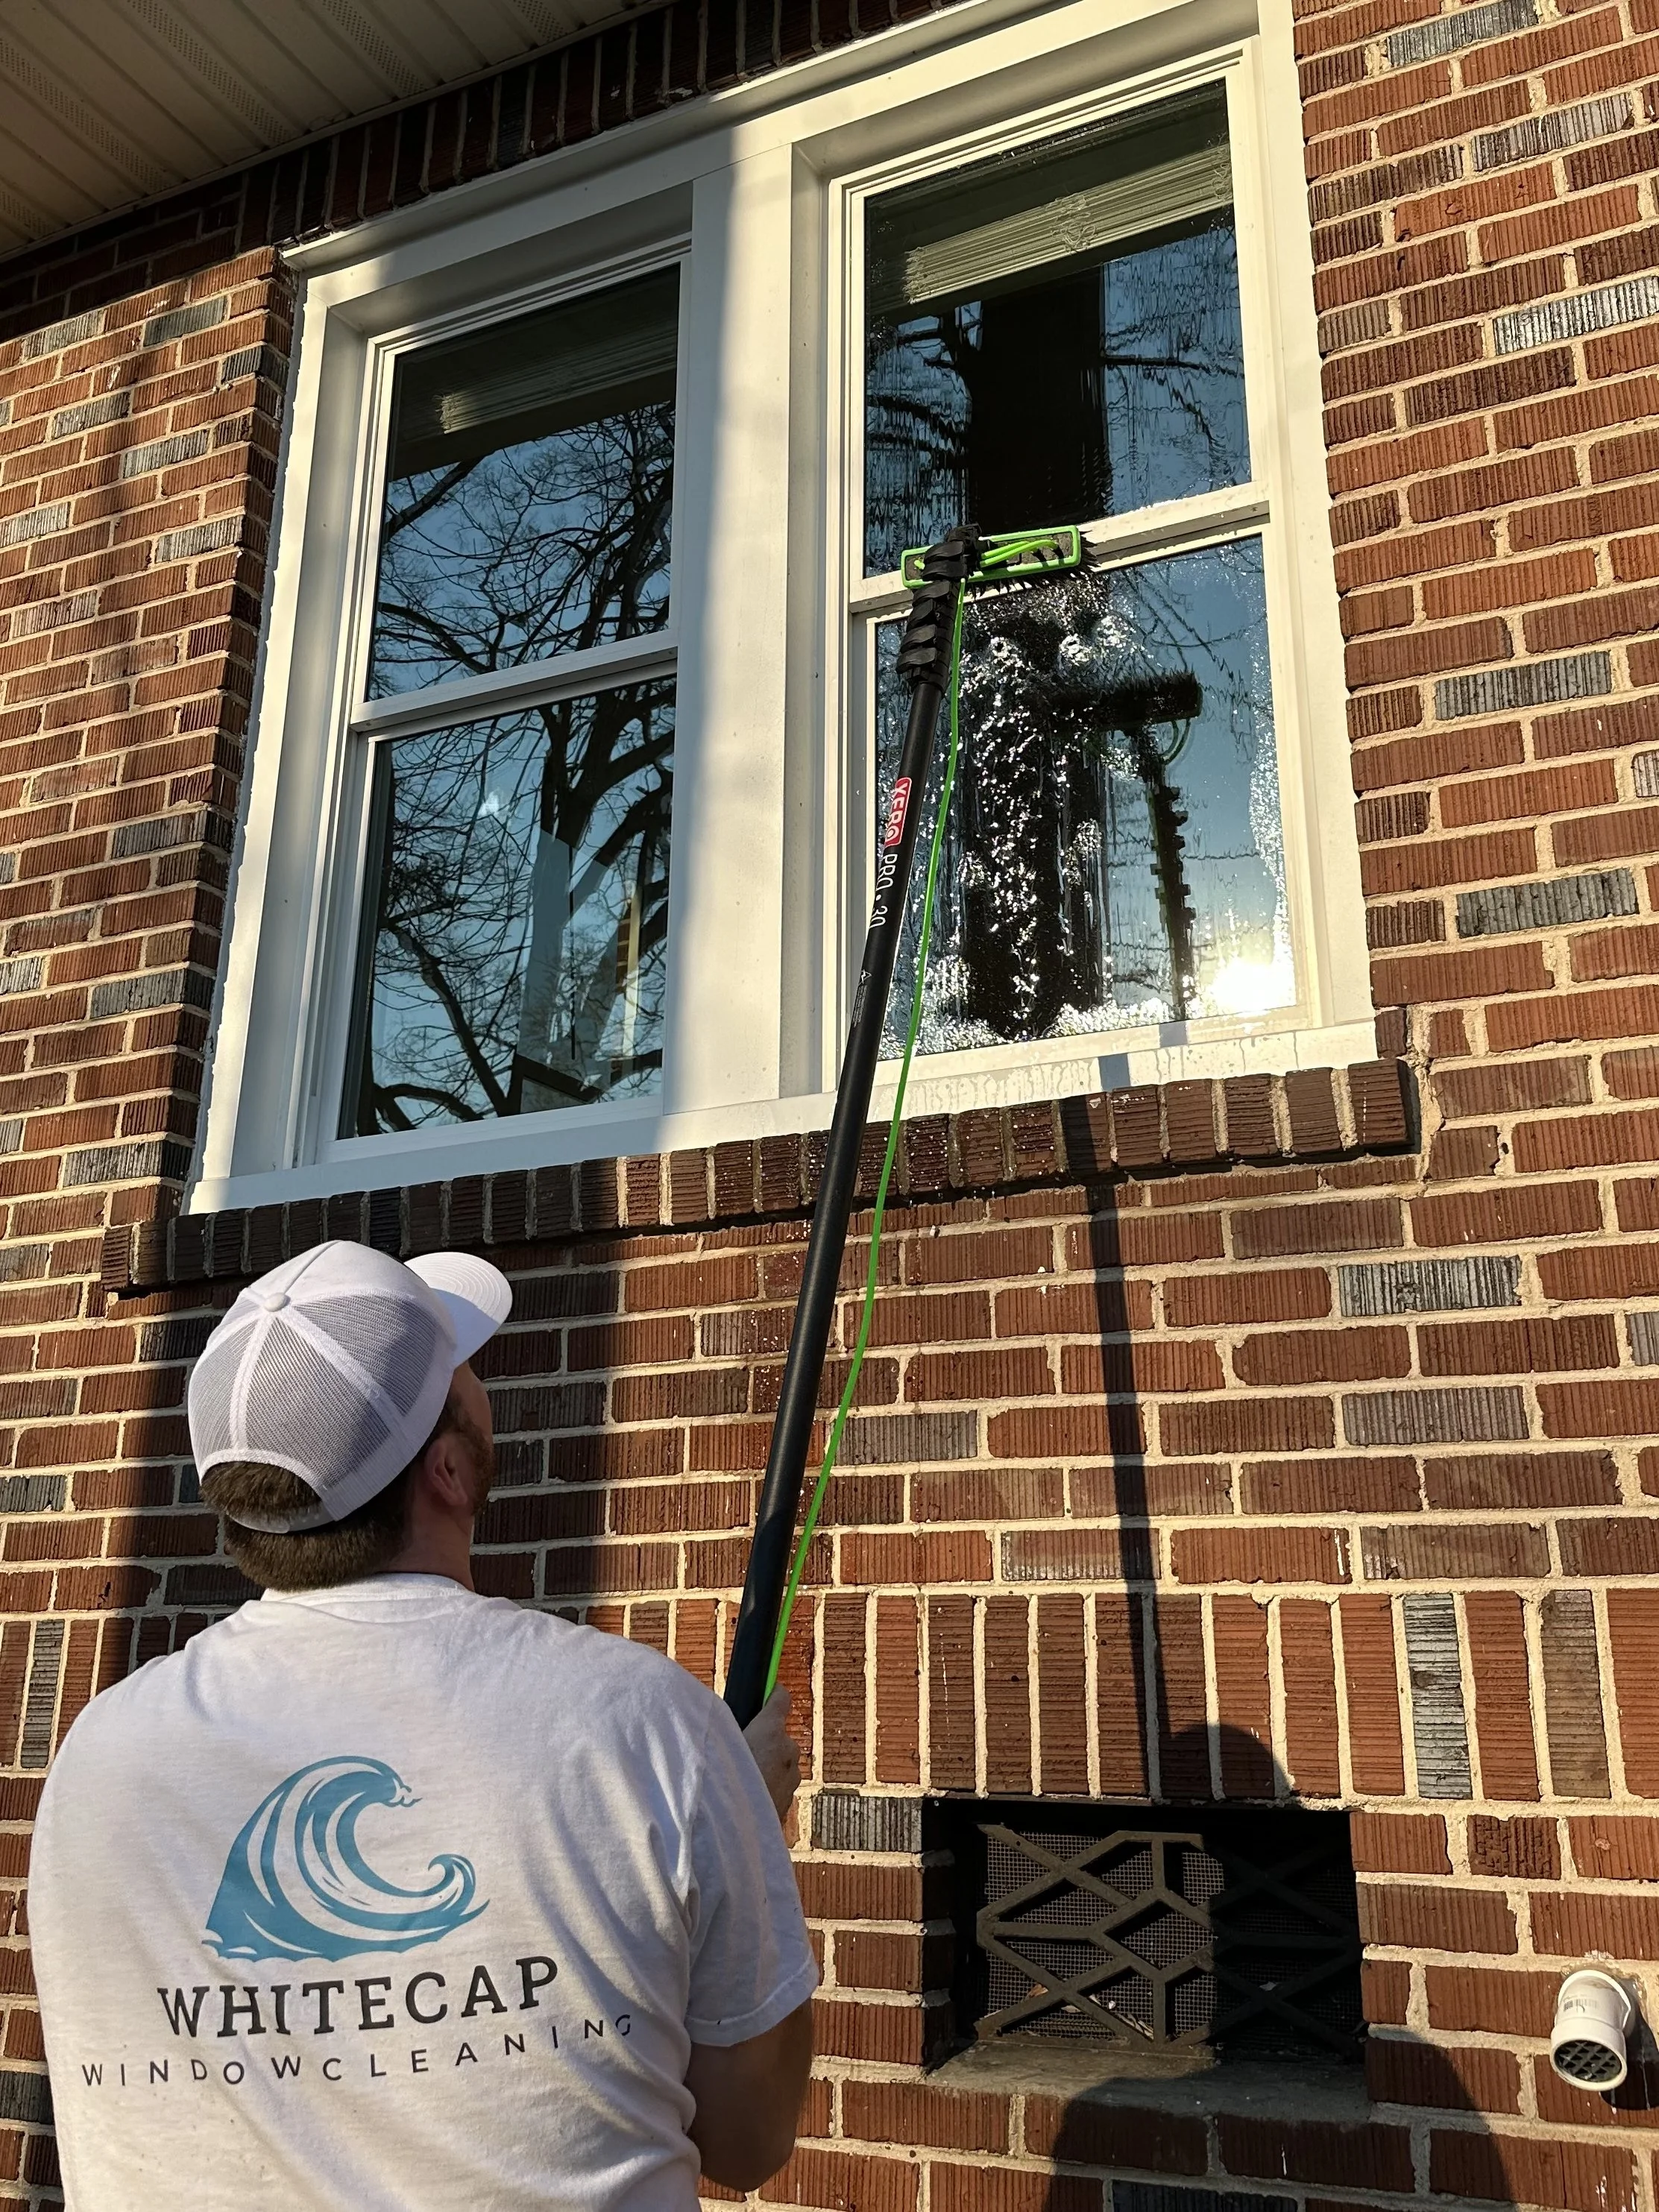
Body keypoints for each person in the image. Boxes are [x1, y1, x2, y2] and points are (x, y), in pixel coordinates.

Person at [30, 1239, 816, 2209]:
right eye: (462, 1367)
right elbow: (747, 2139)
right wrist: (745, 1821)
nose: (481, 1378)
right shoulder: (648, 1726)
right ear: (447, 1468)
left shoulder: (95, 1762)